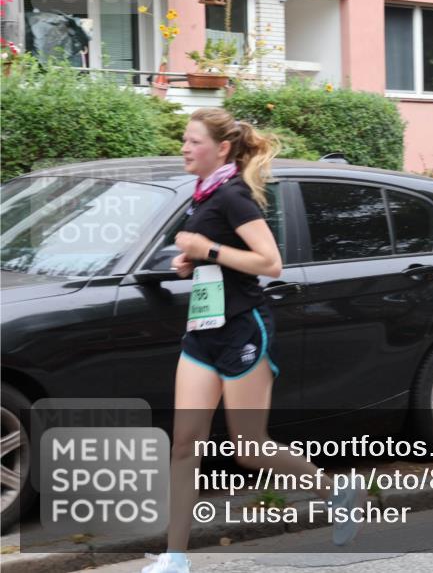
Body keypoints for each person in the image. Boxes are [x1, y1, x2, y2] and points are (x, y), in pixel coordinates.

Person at [142, 108, 366, 573]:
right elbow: (218, 259)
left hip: (244, 328)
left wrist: (209, 251)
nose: (184, 148)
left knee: (249, 447)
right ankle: (175, 556)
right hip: (204, 333)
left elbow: (270, 263)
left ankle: (337, 493)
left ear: (221, 149)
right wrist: (194, 265)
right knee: (184, 443)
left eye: (193, 141)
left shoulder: (235, 197)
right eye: (183, 140)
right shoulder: (202, 198)